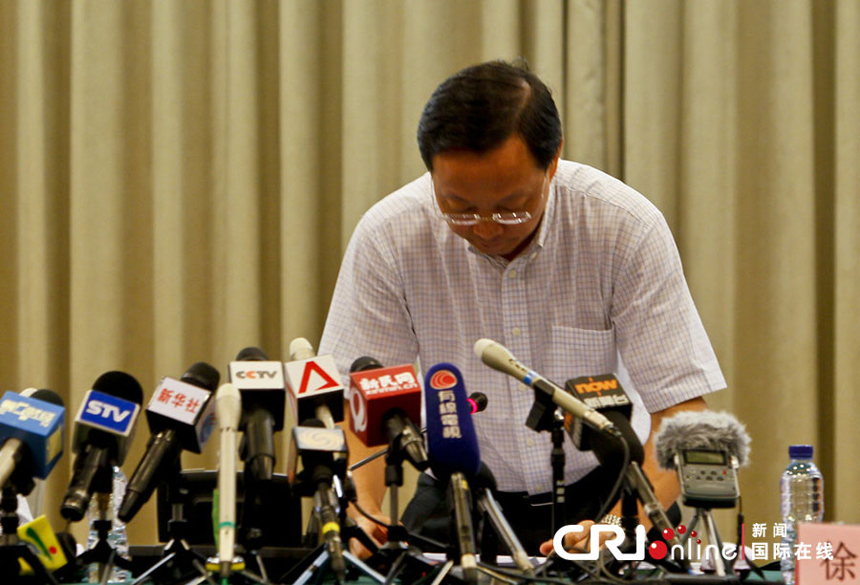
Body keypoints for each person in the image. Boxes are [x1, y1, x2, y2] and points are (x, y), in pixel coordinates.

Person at [318, 60, 725, 556]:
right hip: (457, 493)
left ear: (553, 160)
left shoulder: (623, 228)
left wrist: (619, 527)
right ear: (431, 173)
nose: (487, 228)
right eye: (460, 208)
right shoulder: (390, 236)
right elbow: (359, 403)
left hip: (607, 494)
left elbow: (683, 413)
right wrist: (362, 504)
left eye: (512, 207)